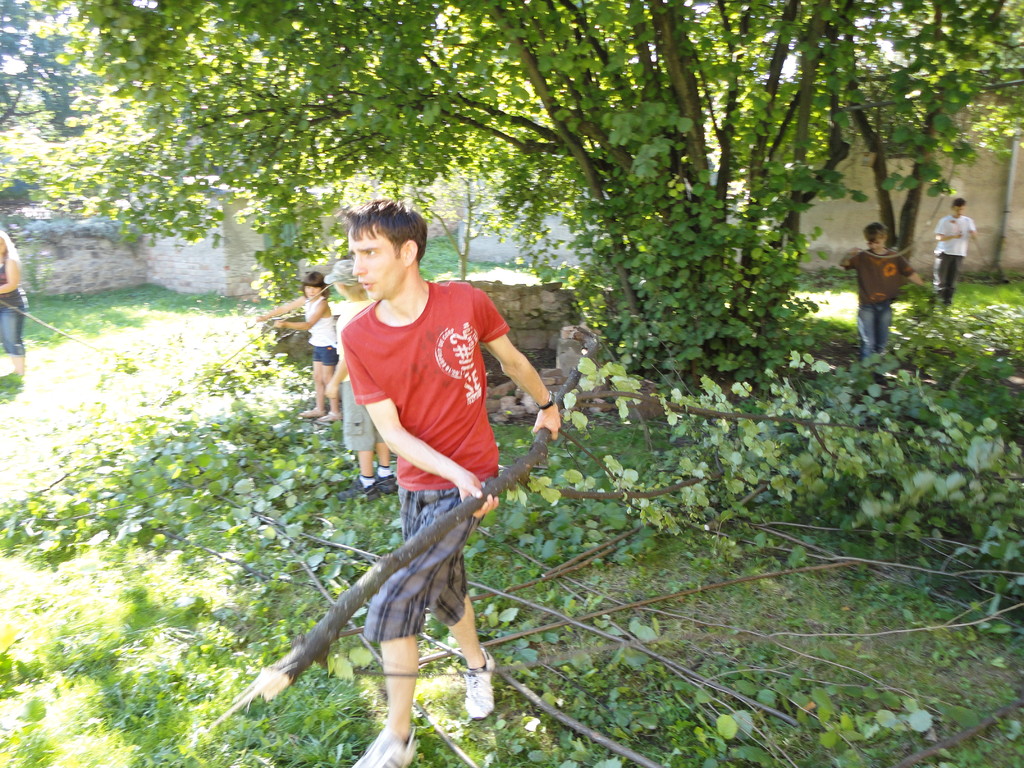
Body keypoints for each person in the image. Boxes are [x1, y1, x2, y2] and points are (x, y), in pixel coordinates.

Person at [340, 199, 561, 768]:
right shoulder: (360, 334)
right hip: (424, 479)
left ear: (408, 252)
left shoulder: (465, 302)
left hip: (473, 476)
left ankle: (397, 738)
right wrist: (456, 476)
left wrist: (546, 404)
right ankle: (479, 665)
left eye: (369, 254)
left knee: (394, 601)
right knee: (444, 589)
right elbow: (390, 430)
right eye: (354, 254)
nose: (357, 267)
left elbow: (511, 360)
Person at [323, 258, 398, 500]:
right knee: (382, 428)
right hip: (385, 380)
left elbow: (349, 358)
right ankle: (386, 475)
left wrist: (334, 382)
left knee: (361, 432)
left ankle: (367, 483)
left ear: (341, 287)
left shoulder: (348, 316)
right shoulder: (381, 307)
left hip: (357, 384)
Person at [256, 271, 340, 419]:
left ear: (322, 289)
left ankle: (335, 412)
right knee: (317, 377)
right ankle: (319, 409)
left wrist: (286, 324)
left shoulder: (322, 304)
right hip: (318, 344)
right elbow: (285, 308)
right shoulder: (306, 299)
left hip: (328, 345)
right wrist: (266, 317)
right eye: (308, 288)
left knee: (328, 379)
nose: (311, 291)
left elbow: (308, 325)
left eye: (314, 288)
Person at [841, 222, 925, 362]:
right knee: (868, 342)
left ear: (884, 237)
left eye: (876, 242)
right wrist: (849, 254)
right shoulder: (862, 256)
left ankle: (878, 374)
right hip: (867, 305)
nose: (872, 246)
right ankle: (865, 375)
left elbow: (910, 273)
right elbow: (844, 264)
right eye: (869, 242)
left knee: (882, 343)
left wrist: (924, 287)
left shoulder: (894, 256)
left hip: (885, 305)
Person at [933, 197, 979, 305]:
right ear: (953, 208)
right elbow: (938, 237)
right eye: (957, 209)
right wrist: (953, 236)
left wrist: (973, 234)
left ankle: (947, 303)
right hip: (944, 253)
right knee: (941, 280)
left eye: (962, 209)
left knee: (952, 281)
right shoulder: (944, 221)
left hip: (959, 254)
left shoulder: (968, 221)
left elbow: (975, 236)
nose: (959, 212)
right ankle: (936, 302)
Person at [0, 231, 27, 377]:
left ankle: (19, 373)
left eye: (1, 243)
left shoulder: (10, 260)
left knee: (12, 338)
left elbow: (12, 284)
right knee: (4, 339)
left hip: (11, 306)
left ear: (6, 244)